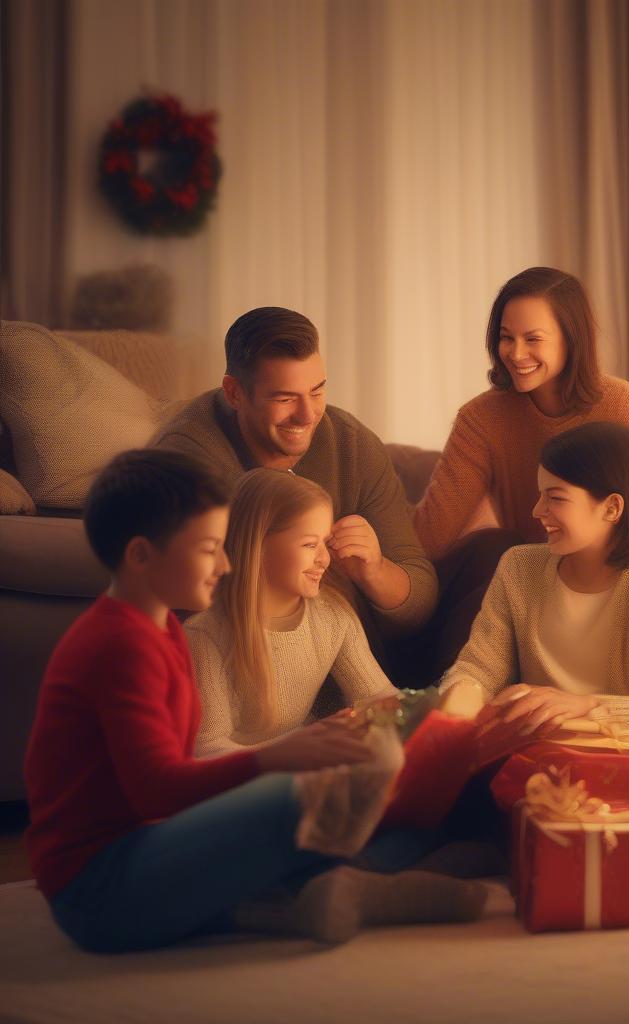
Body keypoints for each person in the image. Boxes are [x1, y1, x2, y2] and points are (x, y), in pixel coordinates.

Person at [23, 450, 485, 953]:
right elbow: (157, 790)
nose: (225, 563)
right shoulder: (121, 645)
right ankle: (357, 878)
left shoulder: (159, 631)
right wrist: (280, 758)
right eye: (208, 549)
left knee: (371, 803)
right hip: (99, 892)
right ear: (140, 556)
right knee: (307, 796)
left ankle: (334, 891)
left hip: (154, 858)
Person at [150, 305, 507, 687]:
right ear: (235, 393)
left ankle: (459, 701)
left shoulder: (351, 443)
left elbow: (418, 598)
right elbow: (185, 598)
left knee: (495, 549)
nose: (308, 415)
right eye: (284, 398)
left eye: (317, 391)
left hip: (377, 645)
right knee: (309, 560)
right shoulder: (186, 459)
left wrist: (373, 570)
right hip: (259, 660)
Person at [439, 422, 629, 738]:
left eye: (556, 498)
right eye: (541, 495)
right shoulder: (518, 568)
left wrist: (589, 708)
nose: (538, 511)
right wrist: (461, 695)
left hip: (628, 772)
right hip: (535, 768)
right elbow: (478, 669)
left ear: (612, 508)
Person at [413, 266, 629, 562]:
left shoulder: (621, 405)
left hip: (614, 570)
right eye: (507, 337)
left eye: (533, 339)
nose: (516, 354)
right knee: (491, 549)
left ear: (571, 339)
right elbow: (429, 536)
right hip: (530, 576)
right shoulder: (480, 419)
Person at [187, 468, 398, 756]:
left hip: (305, 765)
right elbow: (206, 749)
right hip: (238, 783)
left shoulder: (334, 617)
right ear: (258, 546)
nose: (324, 559)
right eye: (310, 544)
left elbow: (379, 698)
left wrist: (425, 719)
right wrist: (300, 750)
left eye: (326, 542)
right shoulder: (204, 637)